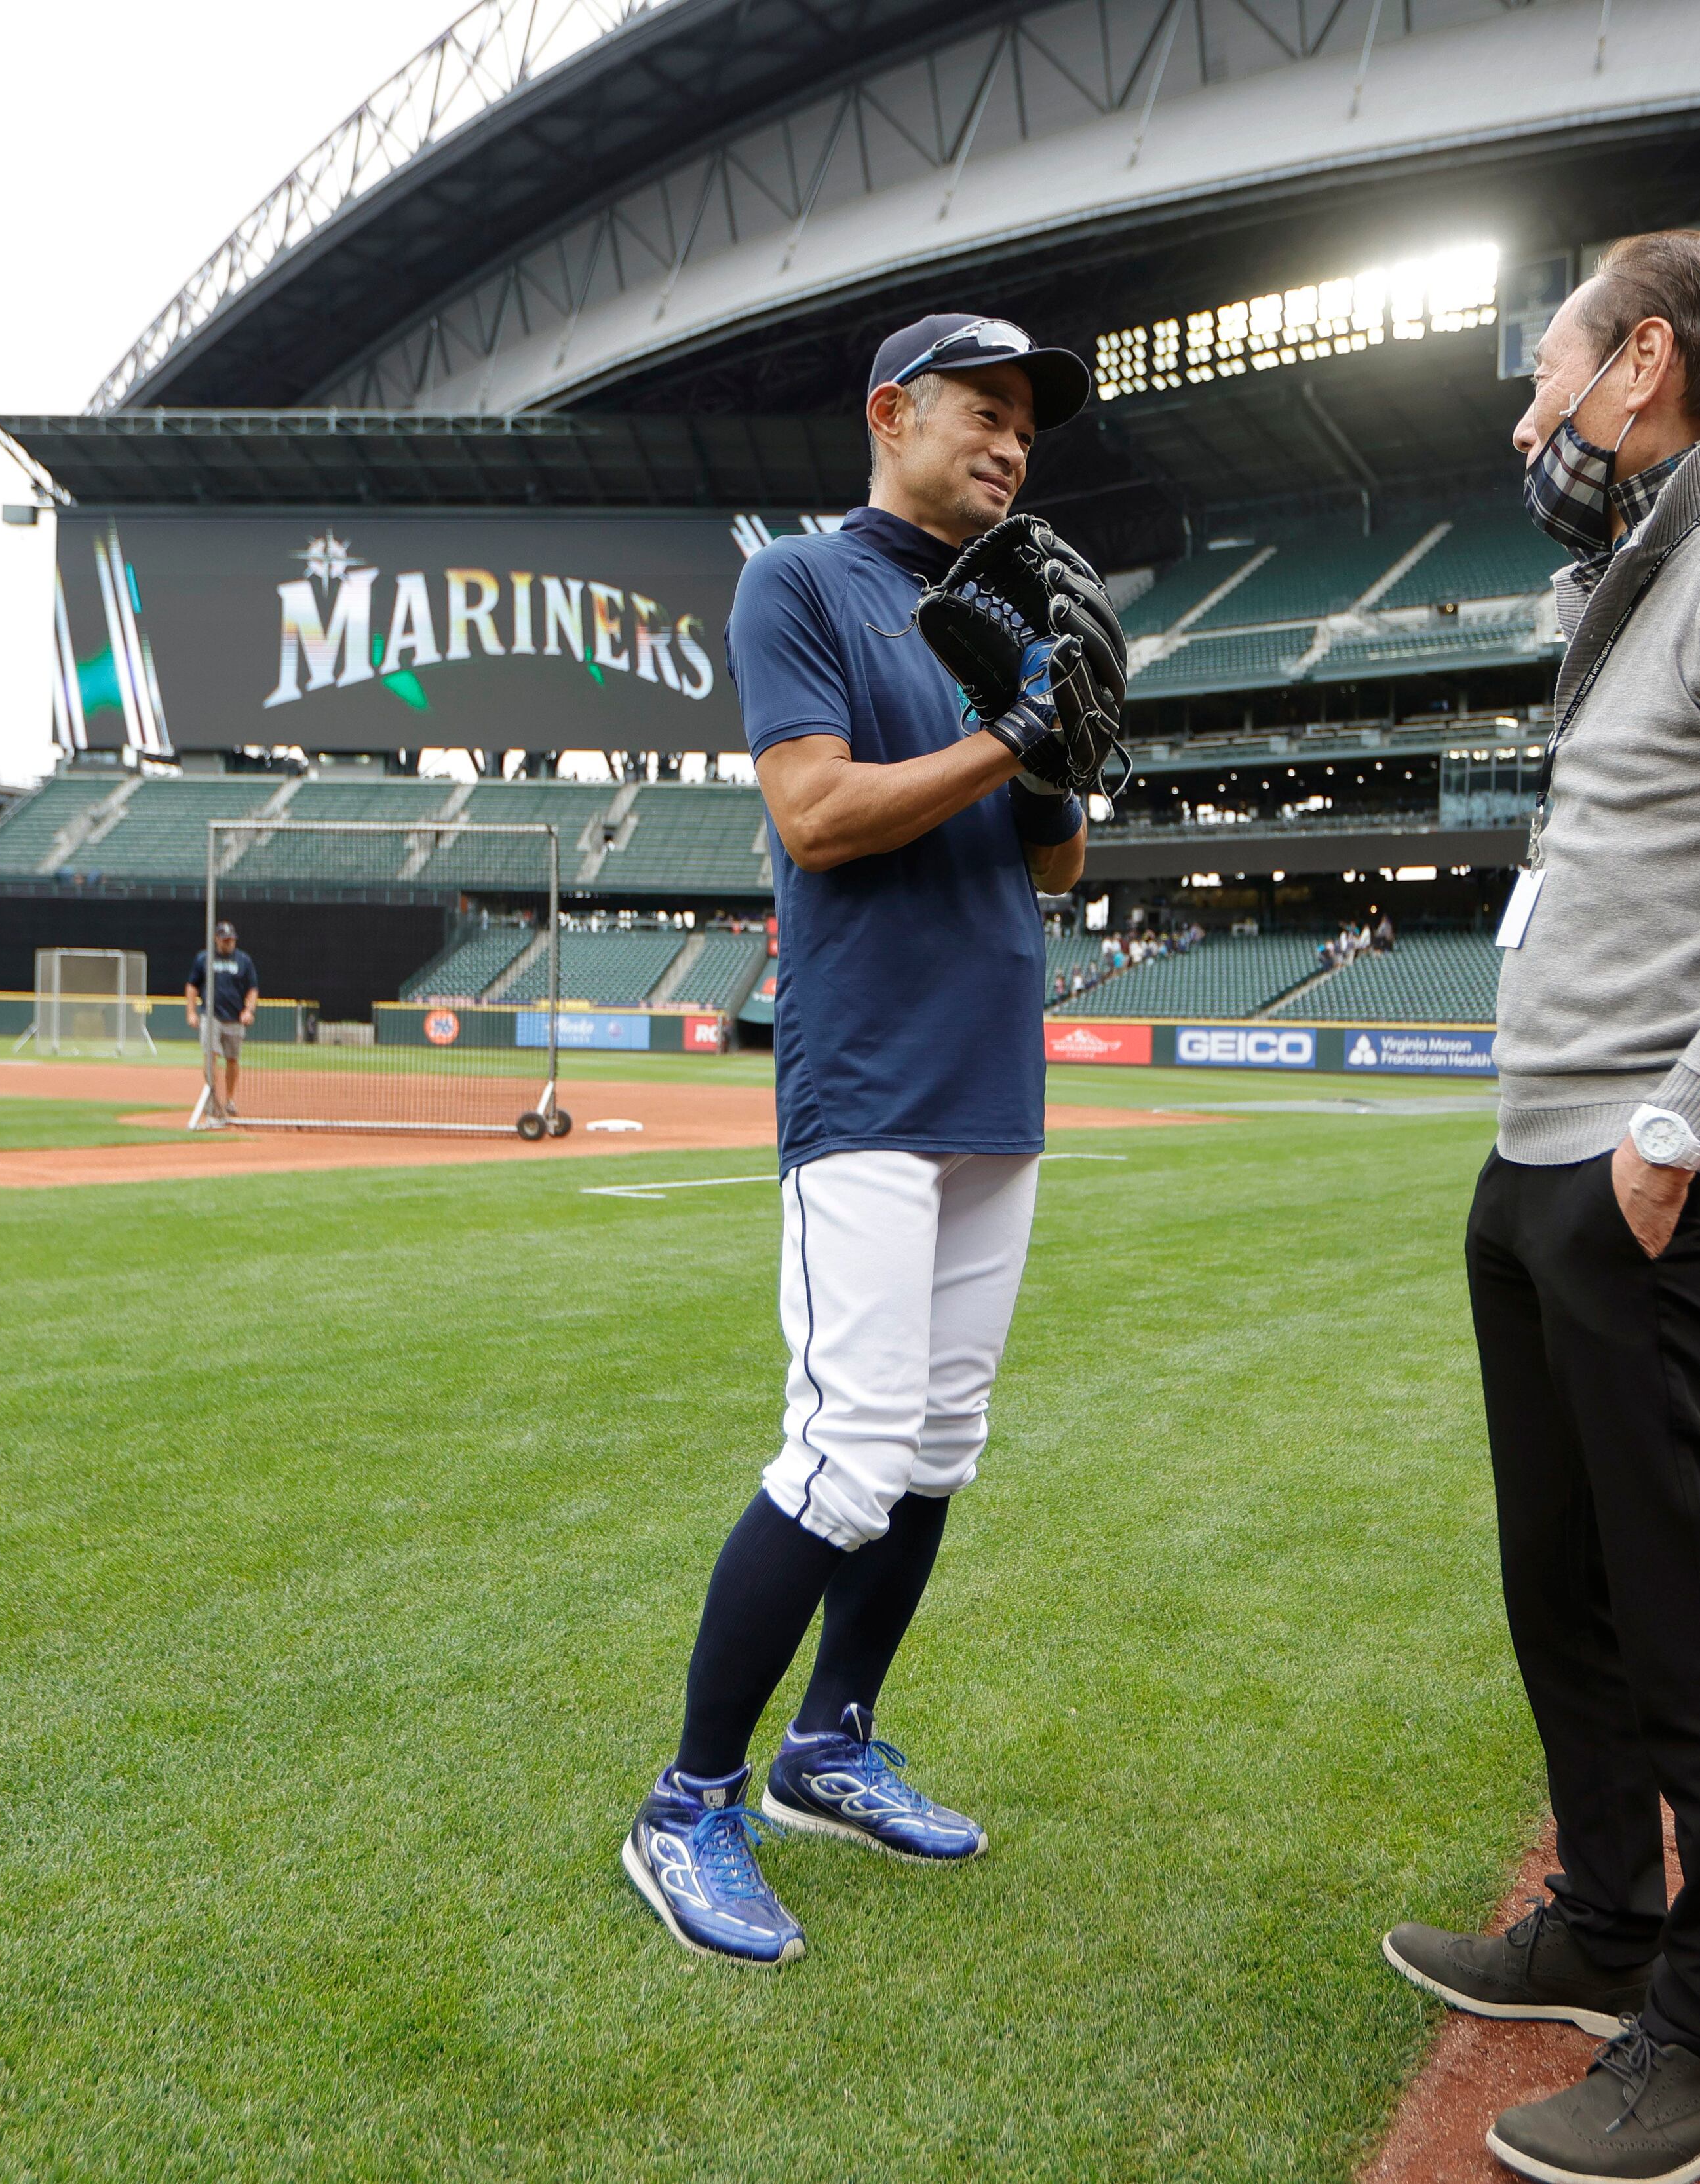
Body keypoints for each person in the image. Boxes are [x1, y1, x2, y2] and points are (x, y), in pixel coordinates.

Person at [1378, 229, 1700, 2183]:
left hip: (1649, 1179)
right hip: (1540, 1172)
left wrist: (1673, 1134)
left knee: (1683, 1616)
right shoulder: (1636, 578)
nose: (1529, 415)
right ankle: (1603, 1920)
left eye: (1550, 372)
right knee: (1558, 1584)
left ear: (1641, 369)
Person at [620, 312, 1092, 1966]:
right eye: (987, 408)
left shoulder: (1006, 607)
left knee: (934, 1451)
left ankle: (833, 1746)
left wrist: (1052, 748)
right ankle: (686, 1802)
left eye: (1030, 422)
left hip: (989, 1071)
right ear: (891, 413)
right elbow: (816, 819)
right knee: (843, 1451)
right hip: (871, 1074)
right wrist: (1002, 738)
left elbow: (1054, 873)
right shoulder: (800, 584)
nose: (1015, 441)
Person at [184, 921, 256, 1120]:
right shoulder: (204, 958)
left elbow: (252, 988)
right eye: (225, 940)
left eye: (231, 940)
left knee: (232, 1059)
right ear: (217, 939)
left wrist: (249, 1010)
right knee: (211, 1055)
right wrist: (191, 1012)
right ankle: (212, 1097)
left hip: (234, 1018)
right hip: (211, 1015)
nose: (229, 943)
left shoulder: (244, 960)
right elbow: (192, 986)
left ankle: (230, 1099)